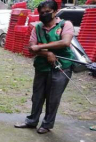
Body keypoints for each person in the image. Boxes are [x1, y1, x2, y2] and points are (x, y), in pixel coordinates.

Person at [14, 0, 74, 134]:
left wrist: (41, 47)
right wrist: (48, 53)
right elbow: (31, 48)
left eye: (48, 12)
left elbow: (65, 42)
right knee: (37, 96)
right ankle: (31, 121)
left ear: (55, 11)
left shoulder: (65, 25)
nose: (44, 14)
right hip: (42, 67)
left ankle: (47, 125)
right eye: (42, 12)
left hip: (61, 67)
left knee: (53, 98)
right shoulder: (37, 27)